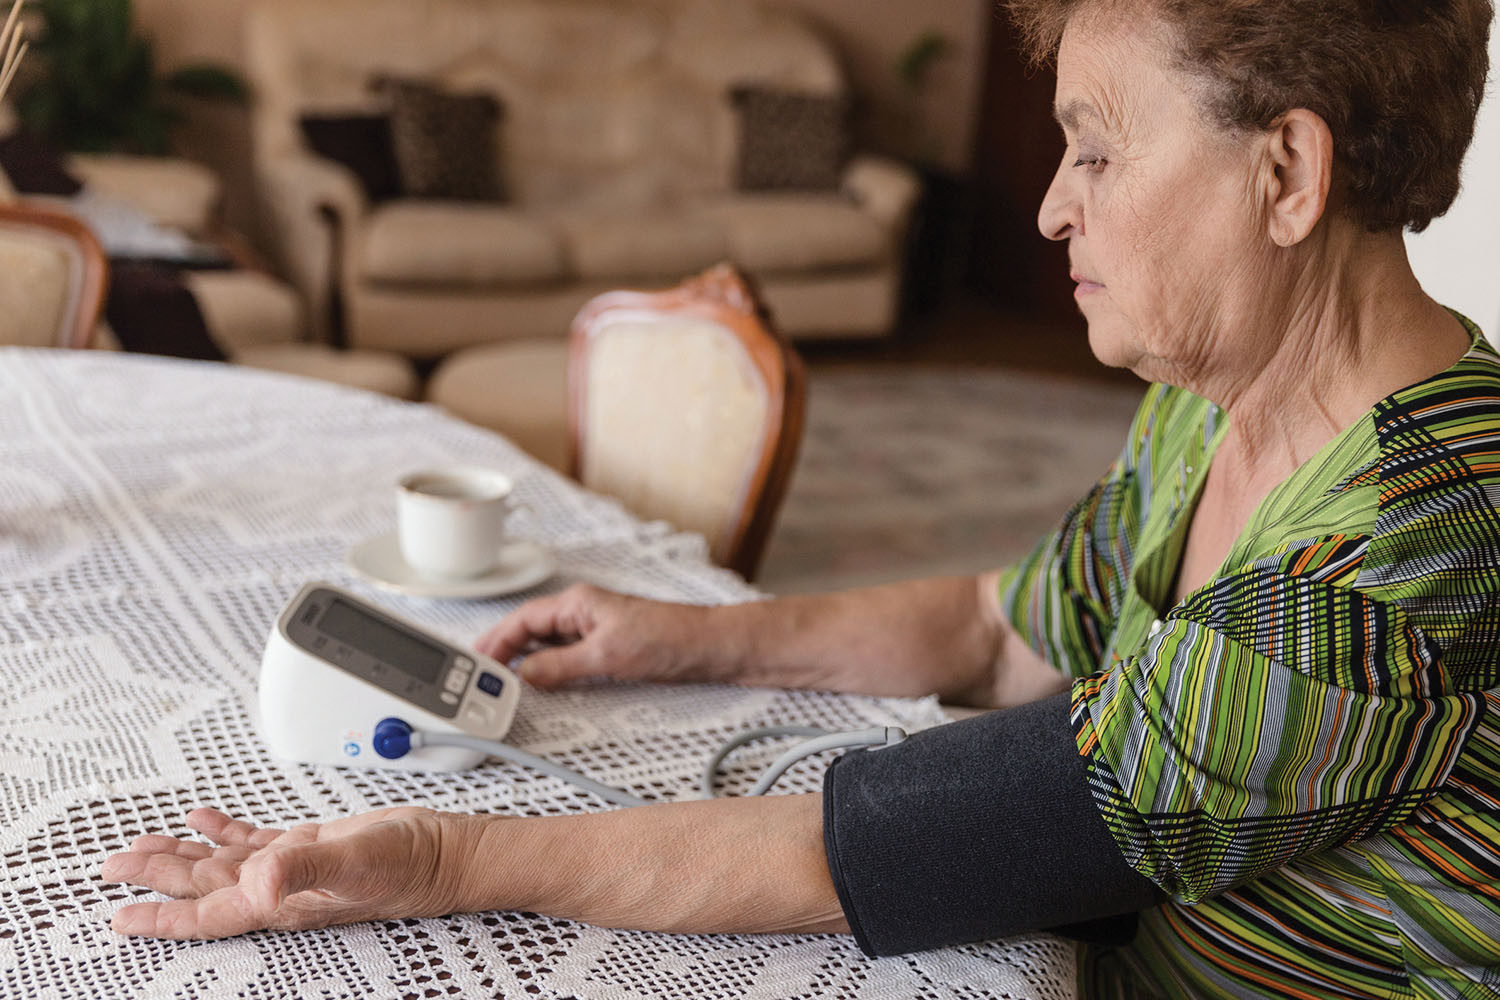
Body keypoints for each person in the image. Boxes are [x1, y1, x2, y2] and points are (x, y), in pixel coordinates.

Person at [101, 0, 1500, 995]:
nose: (1051, 210)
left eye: (1098, 148)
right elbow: (1001, 627)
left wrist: (446, 857)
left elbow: (890, 849)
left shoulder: (1416, 549)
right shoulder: (1209, 407)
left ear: (1288, 171)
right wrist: (678, 635)